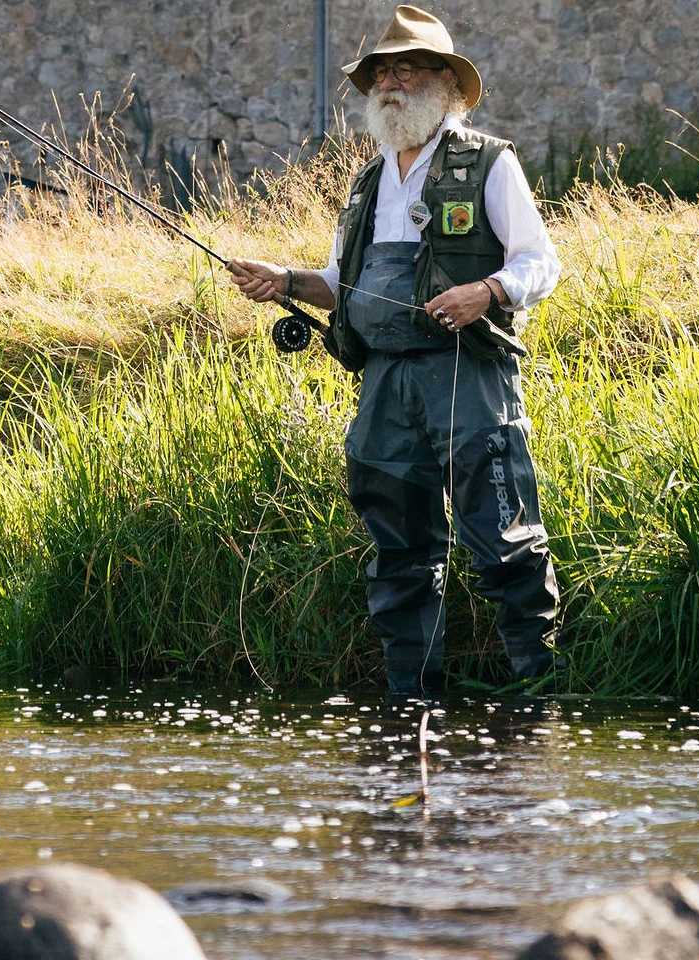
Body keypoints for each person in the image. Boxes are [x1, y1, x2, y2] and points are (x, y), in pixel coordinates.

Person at [229, 4, 564, 697]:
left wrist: (488, 292)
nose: (391, 82)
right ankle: (411, 701)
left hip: (468, 377)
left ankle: (541, 692)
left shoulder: (491, 164)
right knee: (399, 553)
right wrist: (285, 281)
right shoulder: (366, 184)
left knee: (505, 540)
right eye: (382, 71)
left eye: (406, 69)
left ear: (445, 83)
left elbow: (541, 263)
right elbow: (342, 285)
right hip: (383, 386)